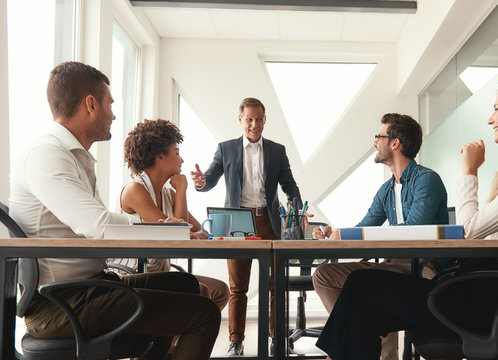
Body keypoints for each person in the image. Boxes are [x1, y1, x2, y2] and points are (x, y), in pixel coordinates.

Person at [315, 76, 498, 360]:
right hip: (479, 285)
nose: (490, 119)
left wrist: (469, 170)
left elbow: (469, 230)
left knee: (361, 287)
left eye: (497, 109)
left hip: (486, 295)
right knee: (361, 307)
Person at [9, 61, 220, 360]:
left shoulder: (71, 156)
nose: (113, 114)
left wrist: (166, 228)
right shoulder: (47, 155)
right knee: (205, 314)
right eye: (110, 104)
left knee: (184, 283)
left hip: (90, 287)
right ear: (91, 105)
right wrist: (165, 230)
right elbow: (98, 226)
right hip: (62, 303)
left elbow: (101, 224)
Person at [311, 113, 449, 360]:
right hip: (393, 266)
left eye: (379, 136)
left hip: (423, 267)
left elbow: (414, 230)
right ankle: (359, 339)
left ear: (395, 143)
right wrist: (336, 235)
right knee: (323, 275)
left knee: (362, 282)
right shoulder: (386, 191)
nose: (375, 142)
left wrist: (356, 234)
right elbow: (365, 228)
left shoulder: (426, 180)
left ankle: (340, 351)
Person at [190, 97, 302, 355]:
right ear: (240, 119)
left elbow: (289, 184)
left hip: (269, 221)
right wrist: (199, 182)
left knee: (276, 285)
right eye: (249, 119)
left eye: (259, 119)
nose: (254, 124)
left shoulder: (277, 150)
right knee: (238, 287)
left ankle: (277, 338)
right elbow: (210, 180)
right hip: (237, 223)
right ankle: (236, 341)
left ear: (265, 120)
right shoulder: (226, 149)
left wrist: (295, 208)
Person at [108, 119, 230, 311]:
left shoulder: (167, 194)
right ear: (159, 156)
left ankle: (174, 339)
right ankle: (171, 337)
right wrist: (182, 189)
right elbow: (178, 237)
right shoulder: (135, 190)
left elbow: (203, 230)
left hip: (160, 275)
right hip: (132, 277)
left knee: (220, 290)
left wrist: (194, 233)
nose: (181, 160)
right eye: (177, 153)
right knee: (202, 292)